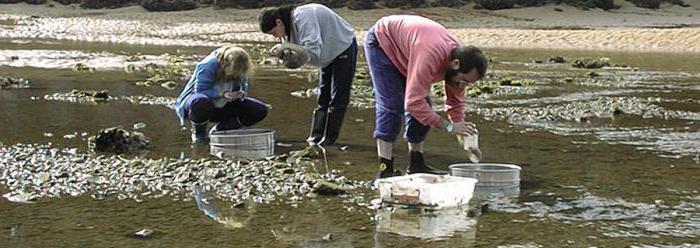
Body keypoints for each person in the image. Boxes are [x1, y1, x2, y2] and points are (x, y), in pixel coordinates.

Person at [364, 15, 488, 179]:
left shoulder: (459, 65)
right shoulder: (431, 55)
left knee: (425, 107)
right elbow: (413, 103)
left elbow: (455, 104)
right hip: (383, 42)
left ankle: (416, 164)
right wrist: (448, 127)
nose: (463, 85)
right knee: (392, 105)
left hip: (410, 48)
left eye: (468, 83)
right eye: (464, 80)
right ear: (455, 64)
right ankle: (385, 168)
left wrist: (467, 141)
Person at [258, 3, 357, 146]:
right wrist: (282, 55)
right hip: (326, 54)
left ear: (279, 22)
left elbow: (312, 52)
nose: (275, 37)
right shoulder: (287, 32)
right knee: (323, 96)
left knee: (338, 97)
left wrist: (286, 47)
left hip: (342, 46)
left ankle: (329, 140)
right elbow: (294, 63)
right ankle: (315, 138)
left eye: (273, 33)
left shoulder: (303, 17)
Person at [174, 46, 268, 144]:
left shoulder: (242, 67)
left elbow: (243, 87)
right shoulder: (208, 64)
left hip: (223, 104)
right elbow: (201, 90)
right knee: (200, 102)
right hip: (197, 105)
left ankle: (220, 130)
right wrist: (223, 94)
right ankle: (199, 133)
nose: (235, 76)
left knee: (259, 110)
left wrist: (240, 94)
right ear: (225, 64)